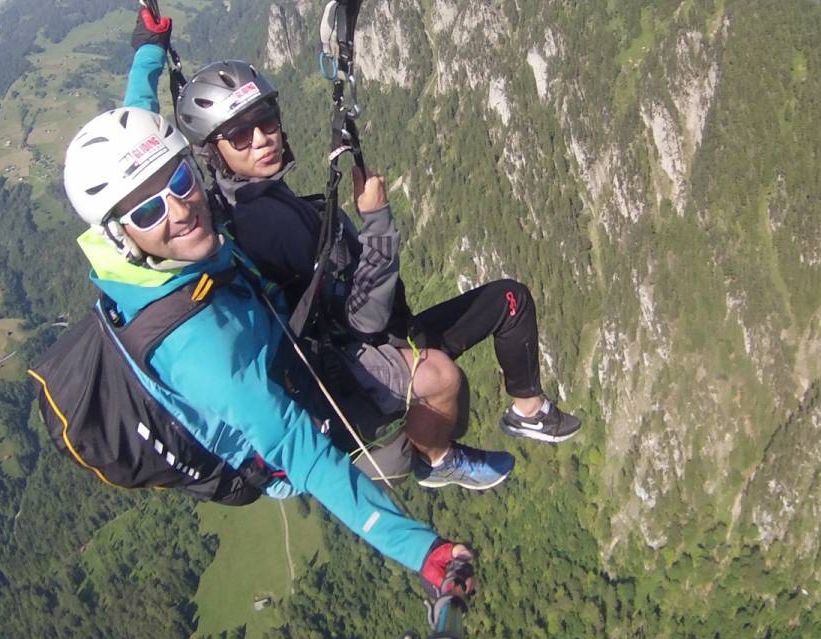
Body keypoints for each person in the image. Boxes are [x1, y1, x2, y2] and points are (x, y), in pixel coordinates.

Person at [58, 7, 473, 598]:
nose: (180, 209)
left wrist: (149, 49)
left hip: (270, 339)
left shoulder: (142, 240)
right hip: (274, 439)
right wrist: (425, 554)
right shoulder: (206, 352)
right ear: (122, 233)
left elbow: (140, 123)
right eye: (150, 211)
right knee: (421, 388)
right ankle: (396, 457)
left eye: (179, 183)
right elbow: (303, 456)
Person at [173, 54, 582, 492]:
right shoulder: (269, 223)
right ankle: (436, 456)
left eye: (266, 121)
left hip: (363, 334)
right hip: (349, 362)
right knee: (444, 379)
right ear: (213, 151)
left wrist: (150, 46)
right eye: (239, 134)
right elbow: (363, 318)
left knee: (508, 300)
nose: (261, 139)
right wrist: (377, 219)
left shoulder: (248, 198)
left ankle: (528, 410)